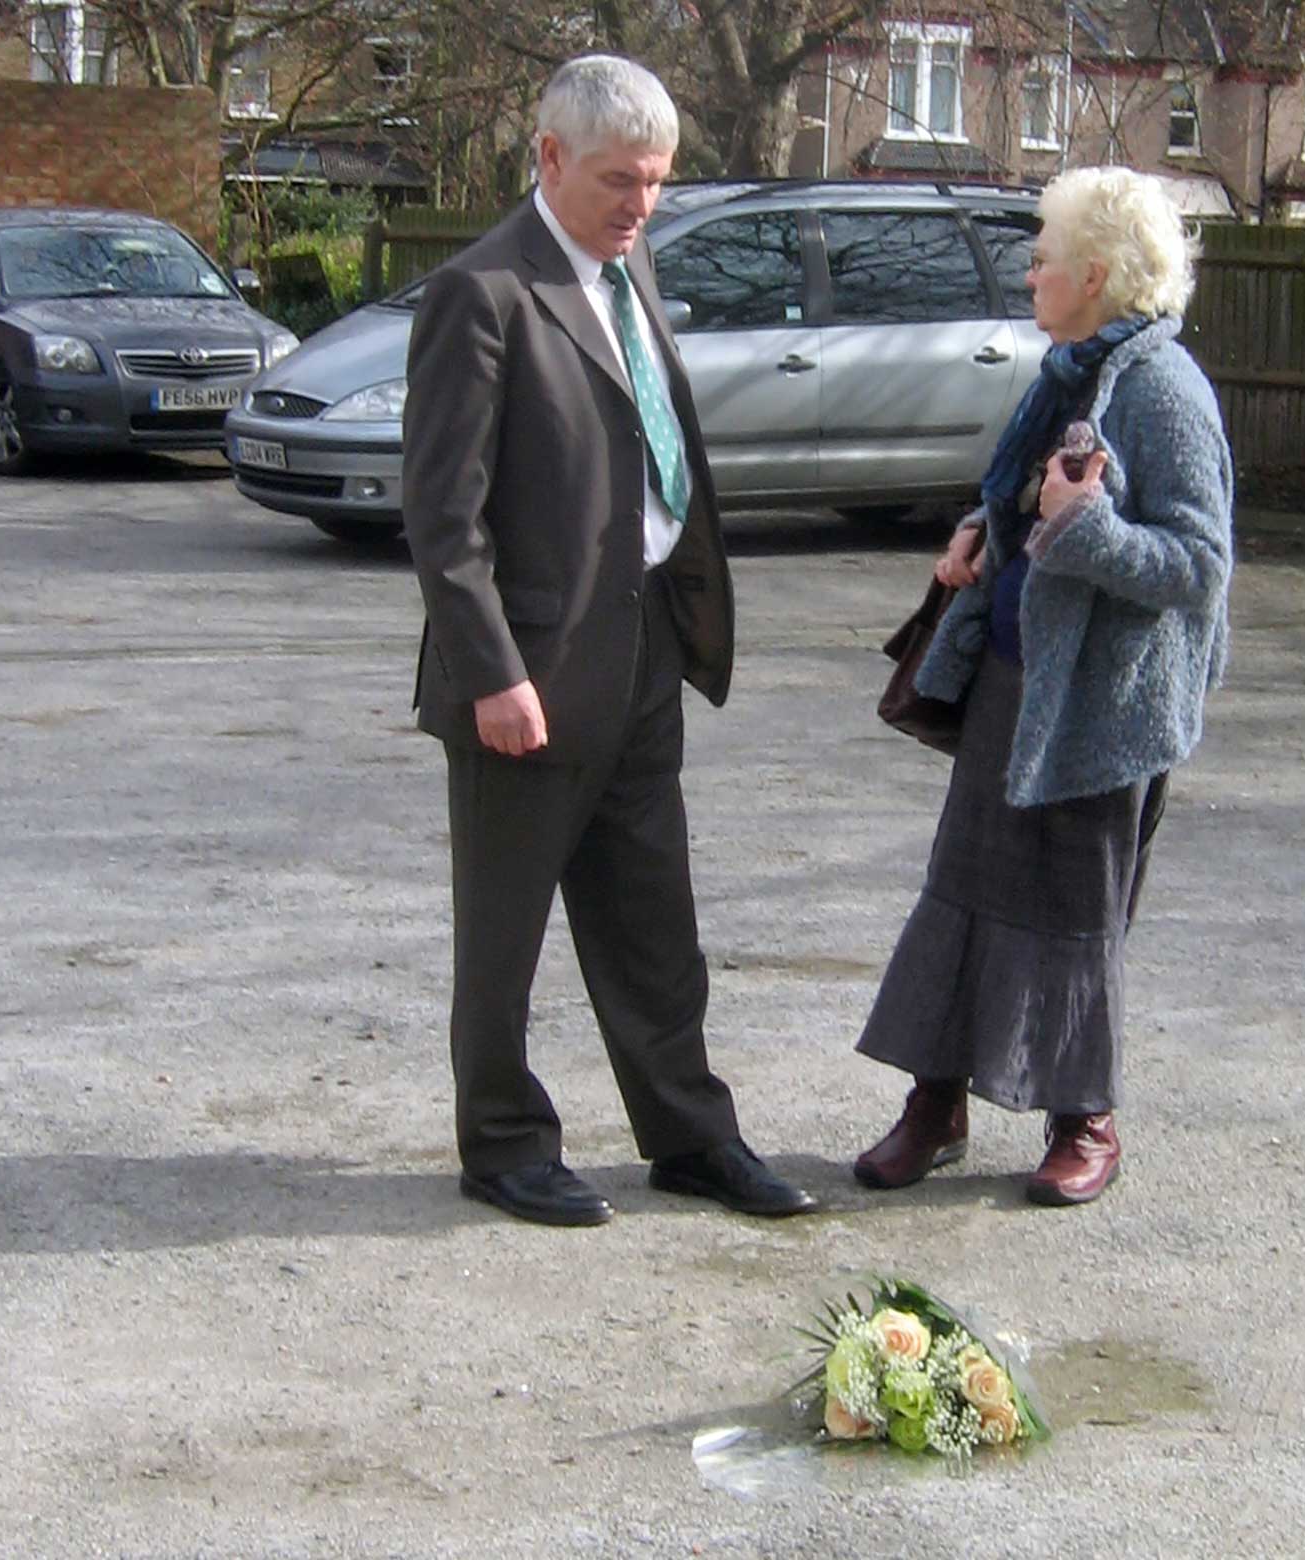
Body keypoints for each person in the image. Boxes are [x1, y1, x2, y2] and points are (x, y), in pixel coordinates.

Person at [400, 55, 815, 1228]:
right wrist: (491, 673)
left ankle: (689, 1135)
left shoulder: (630, 270)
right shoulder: (479, 294)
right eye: (620, 181)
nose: (642, 205)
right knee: (504, 928)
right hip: (524, 674)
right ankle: (502, 1144)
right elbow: (441, 512)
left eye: (658, 183)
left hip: (641, 655)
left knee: (651, 920)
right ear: (546, 158)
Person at [852, 167, 1234, 1208]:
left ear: (1097, 275)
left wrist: (1084, 528)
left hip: (1107, 710)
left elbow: (1197, 566)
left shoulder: (1164, 392)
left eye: (1042, 258)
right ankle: (934, 1109)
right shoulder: (1067, 373)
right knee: (963, 888)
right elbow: (1028, 491)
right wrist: (989, 527)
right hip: (1016, 679)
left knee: (1074, 910)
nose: (1028, 274)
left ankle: (1085, 1121)